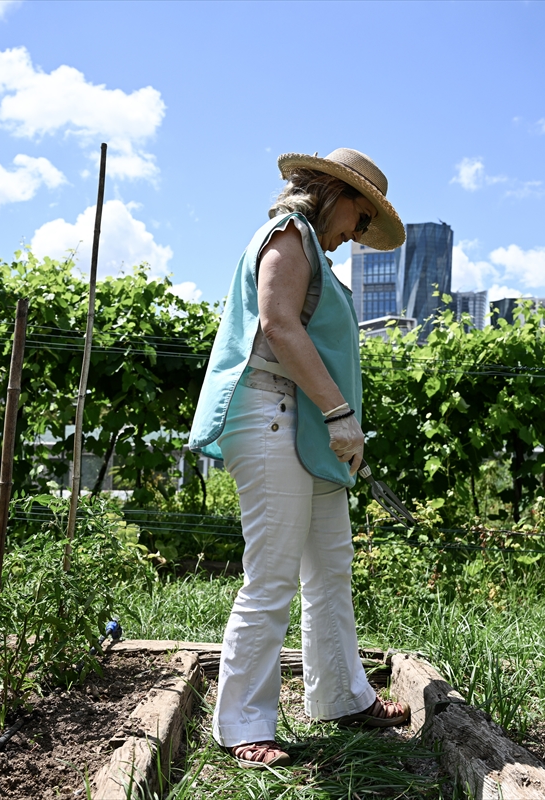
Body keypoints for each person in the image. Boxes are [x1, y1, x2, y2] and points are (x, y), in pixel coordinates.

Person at [188, 148, 409, 768]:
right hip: (269, 415)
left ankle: (342, 697)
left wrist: (337, 421)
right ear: (335, 194)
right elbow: (278, 324)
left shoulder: (313, 247)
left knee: (330, 568)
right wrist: (341, 415)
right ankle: (242, 725)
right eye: (360, 221)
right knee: (273, 576)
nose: (356, 236)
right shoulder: (289, 235)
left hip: (304, 427)